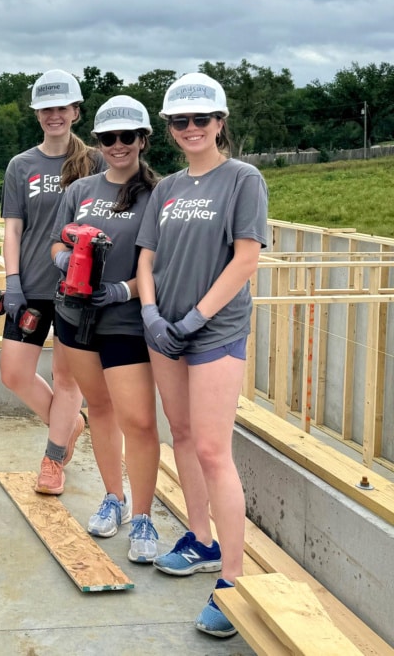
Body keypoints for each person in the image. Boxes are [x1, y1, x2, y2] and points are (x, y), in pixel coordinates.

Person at [135, 73, 268, 637]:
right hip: (165, 328)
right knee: (182, 437)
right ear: (169, 129)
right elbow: (146, 257)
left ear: (220, 124)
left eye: (201, 120)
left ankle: (232, 583)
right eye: (179, 122)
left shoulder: (242, 179)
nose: (191, 129)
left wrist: (196, 318)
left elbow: (245, 259)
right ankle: (201, 539)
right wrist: (151, 313)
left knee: (214, 450)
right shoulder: (166, 189)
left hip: (213, 332)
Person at [49, 95, 161, 563]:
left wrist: (124, 290)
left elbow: (162, 266)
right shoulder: (81, 190)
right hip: (75, 317)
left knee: (138, 420)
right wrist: (65, 262)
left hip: (125, 322)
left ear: (142, 140)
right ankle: (112, 497)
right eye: (108, 138)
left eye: (127, 137)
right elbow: (58, 240)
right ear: (98, 141)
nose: (118, 146)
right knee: (100, 408)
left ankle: (143, 516)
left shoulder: (157, 195)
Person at [0, 69, 102, 497]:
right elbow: (13, 230)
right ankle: (72, 422)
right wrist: (13, 281)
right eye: (46, 109)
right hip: (34, 287)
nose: (54, 115)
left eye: (62, 108)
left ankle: (53, 458)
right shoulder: (21, 165)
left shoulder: (96, 161)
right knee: (13, 373)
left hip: (78, 291)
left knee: (67, 379)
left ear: (76, 111)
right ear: (37, 114)